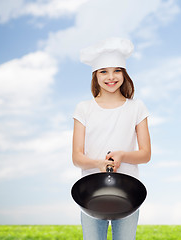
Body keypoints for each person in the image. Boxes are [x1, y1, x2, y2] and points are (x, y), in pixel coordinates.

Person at [72, 37, 151, 240]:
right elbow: (77, 157)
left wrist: (122, 155)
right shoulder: (84, 108)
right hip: (92, 192)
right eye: (103, 71)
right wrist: (98, 163)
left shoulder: (136, 108)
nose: (111, 77)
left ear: (124, 73)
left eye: (117, 70)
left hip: (128, 193)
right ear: (95, 75)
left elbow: (145, 154)